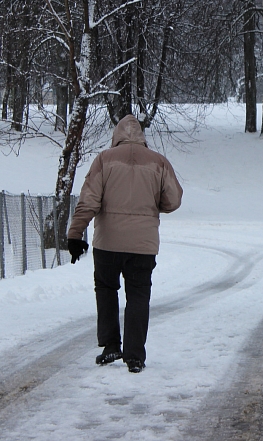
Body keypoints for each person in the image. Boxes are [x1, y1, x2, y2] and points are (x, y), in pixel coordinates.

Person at [66, 114, 183, 373]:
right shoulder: (159, 162)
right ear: (141, 136)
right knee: (139, 295)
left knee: (106, 289)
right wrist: (154, 206)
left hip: (108, 242)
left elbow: (89, 200)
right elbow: (173, 200)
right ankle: (135, 356)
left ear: (116, 135)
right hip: (143, 244)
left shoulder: (104, 160)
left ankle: (110, 346)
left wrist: (75, 234)